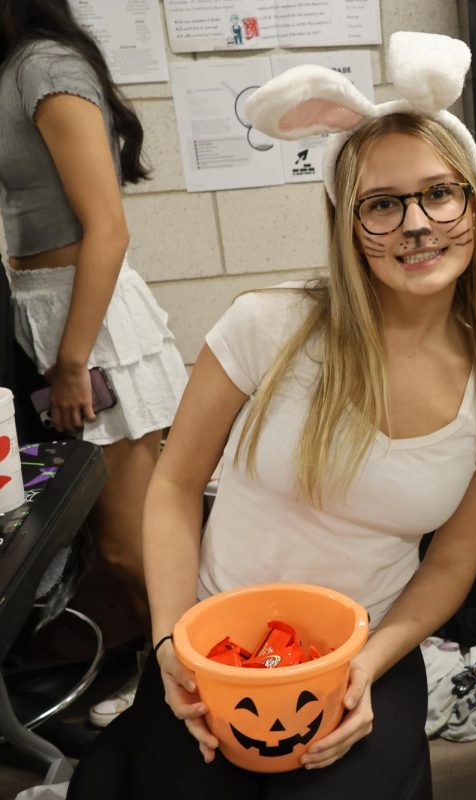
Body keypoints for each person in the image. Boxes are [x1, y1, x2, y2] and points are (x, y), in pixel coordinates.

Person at [68, 32, 476, 799]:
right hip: (211, 647)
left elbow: (451, 563)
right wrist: (170, 641)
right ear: (349, 227)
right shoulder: (267, 328)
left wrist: (370, 662)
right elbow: (177, 485)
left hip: (365, 658)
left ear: (474, 208)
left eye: (439, 193)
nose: (417, 223)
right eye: (382, 205)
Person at [0, 0, 189, 725]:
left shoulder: (46, 66)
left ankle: (194, 675)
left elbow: (107, 228)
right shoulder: (14, 69)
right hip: (44, 312)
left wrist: (73, 359)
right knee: (110, 545)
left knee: (134, 543)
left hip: (88, 321)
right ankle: (163, 680)